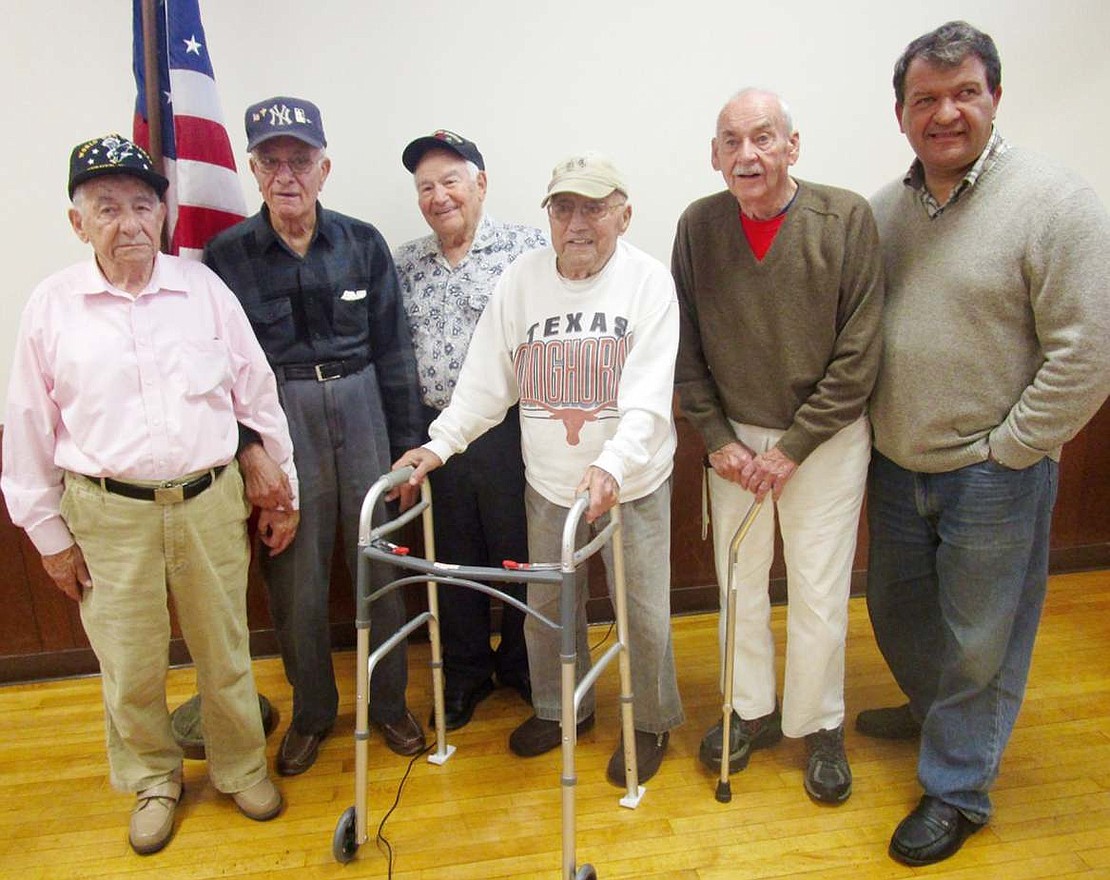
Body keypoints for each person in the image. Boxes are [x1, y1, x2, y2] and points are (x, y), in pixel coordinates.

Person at [1, 134, 298, 854]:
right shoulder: (51, 307)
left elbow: (256, 393)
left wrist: (280, 488)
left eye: (142, 205)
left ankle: (238, 766)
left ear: (163, 216)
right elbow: (29, 430)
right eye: (107, 208)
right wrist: (48, 540)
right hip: (107, 514)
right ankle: (153, 778)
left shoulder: (202, 291)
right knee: (129, 663)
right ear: (79, 223)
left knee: (224, 650)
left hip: (207, 502)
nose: (128, 223)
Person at [861, 21, 1110, 866]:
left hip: (993, 474)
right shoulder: (884, 211)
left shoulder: (1056, 202)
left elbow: (1090, 348)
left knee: (980, 641)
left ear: (994, 98)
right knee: (900, 614)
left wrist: (1014, 447)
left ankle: (958, 787)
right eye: (925, 98)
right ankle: (939, 716)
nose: (945, 112)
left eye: (963, 92)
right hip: (898, 462)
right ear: (900, 114)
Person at [394, 152, 684, 784]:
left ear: (624, 215)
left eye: (594, 208)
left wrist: (611, 466)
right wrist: (437, 446)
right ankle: (562, 711)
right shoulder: (521, 280)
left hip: (630, 483)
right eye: (563, 208)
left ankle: (651, 722)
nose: (577, 223)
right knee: (549, 608)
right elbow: (483, 383)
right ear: (548, 217)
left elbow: (648, 397)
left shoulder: (648, 281)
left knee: (643, 612)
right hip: (550, 482)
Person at [204, 97, 426, 776]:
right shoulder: (226, 256)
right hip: (281, 417)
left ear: (324, 167)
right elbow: (217, 368)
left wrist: (406, 448)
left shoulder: (362, 243)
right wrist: (250, 452)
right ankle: (312, 713)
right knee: (295, 579)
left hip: (363, 407)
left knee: (381, 562)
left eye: (300, 160)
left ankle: (389, 703)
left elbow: (394, 350)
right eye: (271, 161)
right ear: (253, 169)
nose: (286, 174)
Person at [673, 89, 883, 804]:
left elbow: (859, 355)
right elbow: (686, 350)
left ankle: (820, 724)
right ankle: (748, 709)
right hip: (733, 444)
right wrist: (719, 439)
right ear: (714, 156)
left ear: (793, 146)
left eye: (763, 138)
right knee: (739, 585)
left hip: (822, 439)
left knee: (820, 589)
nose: (747, 154)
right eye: (730, 141)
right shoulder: (699, 226)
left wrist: (791, 447)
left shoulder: (846, 218)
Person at [393, 130, 546, 729]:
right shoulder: (404, 264)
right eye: (425, 187)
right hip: (438, 436)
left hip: (513, 430)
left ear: (480, 183)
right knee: (450, 559)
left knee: (518, 553)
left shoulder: (529, 250)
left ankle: (521, 664)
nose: (439, 196)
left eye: (450, 180)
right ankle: (462, 673)